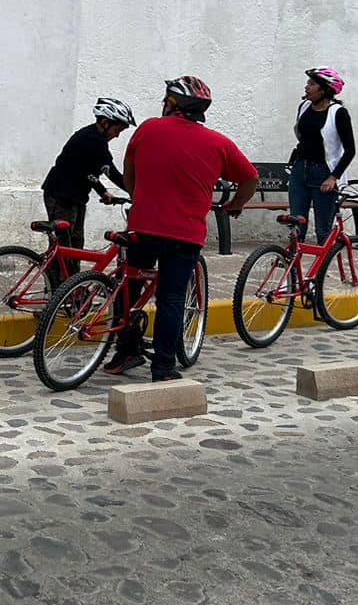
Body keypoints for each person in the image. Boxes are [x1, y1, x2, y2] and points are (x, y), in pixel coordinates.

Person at [104, 76, 259, 381]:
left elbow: (129, 171)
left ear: (172, 104)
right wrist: (235, 205)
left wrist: (138, 199)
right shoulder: (219, 143)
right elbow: (250, 179)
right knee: (172, 299)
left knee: (130, 289)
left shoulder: (148, 128)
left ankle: (124, 353)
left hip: (142, 227)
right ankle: (162, 368)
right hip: (183, 236)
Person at [40, 97, 136, 287]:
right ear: (105, 122)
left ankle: (70, 293)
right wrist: (137, 192)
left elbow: (87, 172)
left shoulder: (91, 137)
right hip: (61, 196)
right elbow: (114, 174)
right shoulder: (93, 140)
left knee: (75, 247)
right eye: (118, 130)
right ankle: (53, 296)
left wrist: (103, 192)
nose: (117, 135)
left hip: (73, 197)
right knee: (64, 249)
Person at [288, 66, 356, 244]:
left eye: (312, 84)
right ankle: (292, 269)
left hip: (323, 174)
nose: (306, 87)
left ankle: (321, 270)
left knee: (323, 230)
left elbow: (350, 150)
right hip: (300, 170)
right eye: (307, 83)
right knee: (296, 225)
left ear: (324, 89)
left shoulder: (338, 113)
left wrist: (334, 177)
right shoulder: (304, 107)